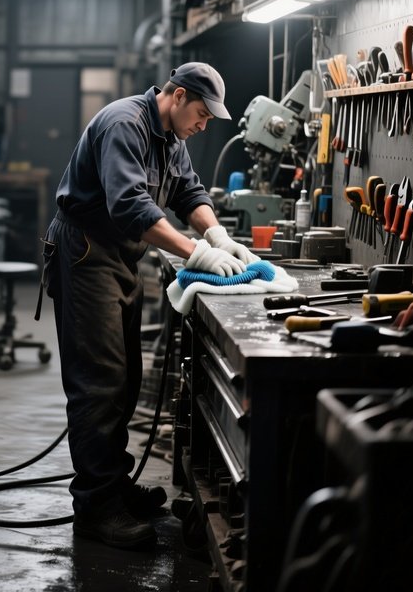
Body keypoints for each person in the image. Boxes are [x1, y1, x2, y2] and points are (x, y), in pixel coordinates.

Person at [41, 62, 257, 549]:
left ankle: (113, 485)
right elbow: (129, 206)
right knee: (99, 383)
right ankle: (96, 508)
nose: (203, 125)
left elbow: (187, 191)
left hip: (119, 256)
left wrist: (218, 235)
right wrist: (196, 252)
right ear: (177, 96)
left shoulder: (171, 137)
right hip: (86, 254)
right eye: (201, 114)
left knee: (124, 379)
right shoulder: (125, 124)